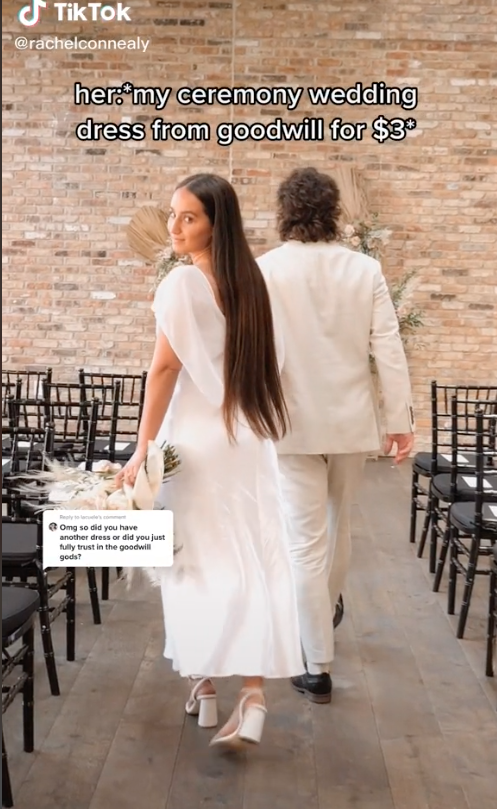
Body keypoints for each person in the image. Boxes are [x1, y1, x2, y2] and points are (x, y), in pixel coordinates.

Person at [115, 173, 305, 750]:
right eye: (173, 213)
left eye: (189, 217)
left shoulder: (180, 285)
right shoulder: (253, 282)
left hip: (195, 444)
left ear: (215, 225)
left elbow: (164, 371)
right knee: (252, 555)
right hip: (248, 442)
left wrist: (142, 445)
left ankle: (204, 686)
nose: (174, 226)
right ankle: (249, 696)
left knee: (193, 563)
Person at [257, 167, 415, 704]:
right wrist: (400, 422)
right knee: (338, 526)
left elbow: (250, 355)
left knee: (303, 542)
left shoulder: (266, 270)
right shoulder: (364, 268)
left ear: (285, 211)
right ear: (334, 210)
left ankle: (316, 660)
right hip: (350, 423)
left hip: (289, 423)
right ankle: (323, 622)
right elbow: (387, 347)